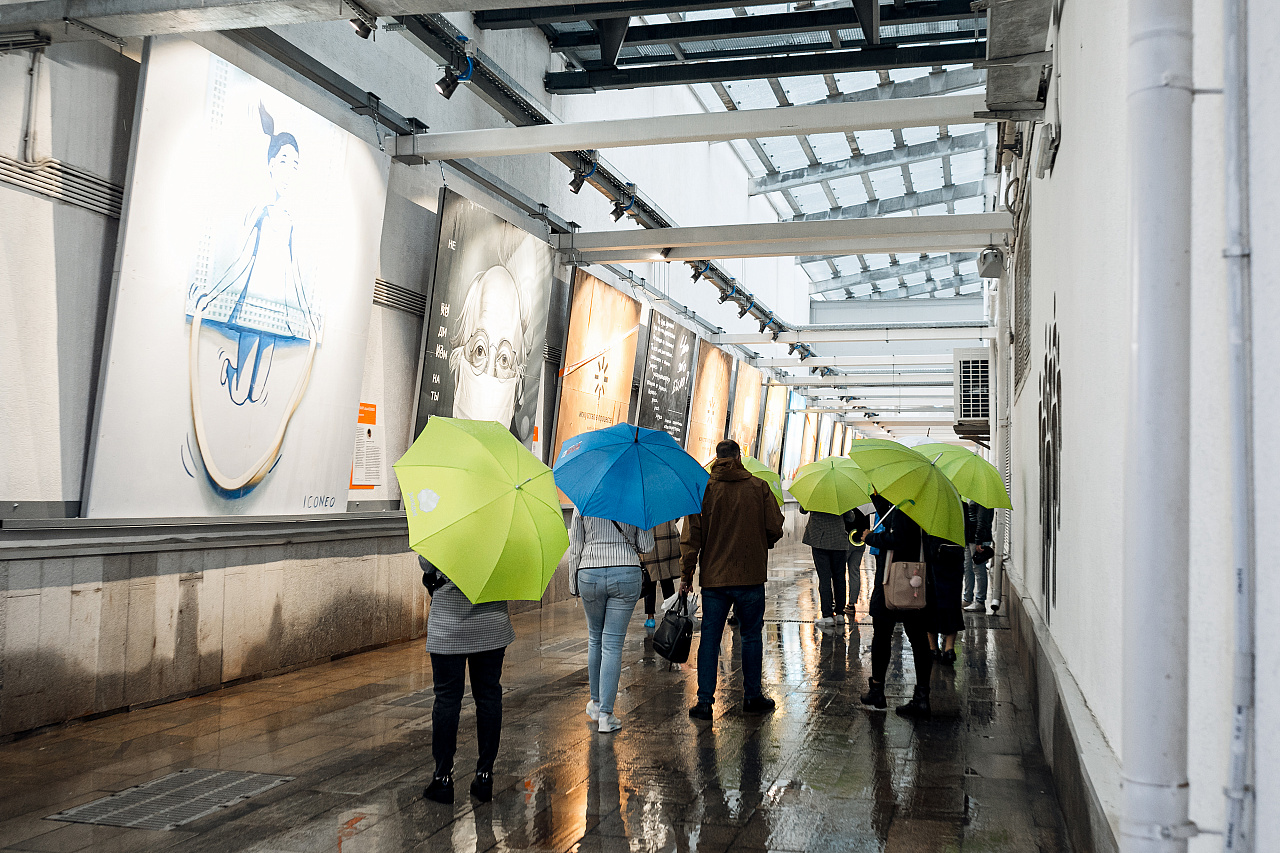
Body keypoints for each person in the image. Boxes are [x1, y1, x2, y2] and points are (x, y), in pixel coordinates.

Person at [680, 439, 785, 720]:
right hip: (750, 577)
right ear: (739, 457)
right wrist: (759, 543)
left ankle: (704, 702)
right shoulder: (759, 487)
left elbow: (691, 539)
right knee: (750, 636)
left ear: (716, 459)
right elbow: (775, 527)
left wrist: (686, 574)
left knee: (710, 638)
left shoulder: (703, 490)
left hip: (715, 580)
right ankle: (752, 696)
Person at [419, 556, 514, 805]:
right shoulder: (501, 531)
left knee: (447, 699)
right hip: (492, 620)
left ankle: (442, 778)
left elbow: (427, 563)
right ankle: (485, 776)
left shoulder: (445, 528)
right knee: (489, 696)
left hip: (449, 621)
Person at [568, 509, 655, 733]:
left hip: (589, 571)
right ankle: (606, 716)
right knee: (613, 645)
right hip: (625, 572)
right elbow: (646, 546)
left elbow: (576, 546)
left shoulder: (583, 499)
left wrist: (573, 585)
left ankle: (596, 704)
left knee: (595, 638)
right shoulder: (635, 498)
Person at [860, 493, 934, 718]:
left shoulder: (905, 505)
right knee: (918, 639)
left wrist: (871, 538)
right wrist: (878, 499)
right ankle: (920, 696)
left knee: (884, 636)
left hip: (894, 582)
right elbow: (893, 521)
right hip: (912, 582)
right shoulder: (916, 504)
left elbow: (899, 539)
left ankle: (879, 691)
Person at [799, 507, 865, 627]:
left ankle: (827, 616)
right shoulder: (839, 497)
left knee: (824, 579)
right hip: (838, 541)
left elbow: (803, 510)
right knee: (839, 578)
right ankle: (840, 614)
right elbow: (850, 517)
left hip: (819, 541)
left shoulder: (814, 497)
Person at [925, 534, 966, 665]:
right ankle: (949, 649)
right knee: (952, 602)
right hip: (955, 554)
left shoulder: (930, 523)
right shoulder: (958, 520)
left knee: (931, 601)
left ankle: (933, 648)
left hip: (934, 554)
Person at [640, 519, 681, 629]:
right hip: (666, 542)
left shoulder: (646, 508)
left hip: (649, 543)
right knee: (667, 580)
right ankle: (671, 613)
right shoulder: (667, 507)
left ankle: (650, 618)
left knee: (650, 581)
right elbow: (676, 517)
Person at [962, 500, 995, 612]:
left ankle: (980, 601)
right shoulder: (974, 498)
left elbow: (982, 521)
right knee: (968, 568)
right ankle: (967, 598)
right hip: (970, 539)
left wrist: (978, 540)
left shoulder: (983, 500)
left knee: (978, 569)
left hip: (977, 541)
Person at [845, 505, 871, 613]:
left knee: (839, 573)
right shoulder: (865, 505)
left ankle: (837, 602)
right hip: (859, 542)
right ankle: (852, 604)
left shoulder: (846, 503)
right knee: (854, 572)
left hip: (846, 541)